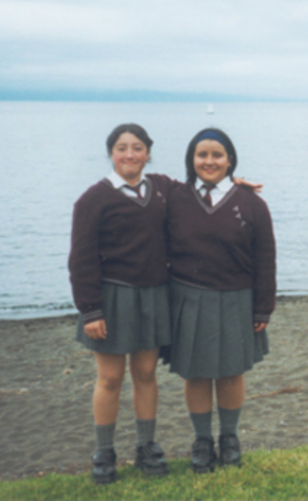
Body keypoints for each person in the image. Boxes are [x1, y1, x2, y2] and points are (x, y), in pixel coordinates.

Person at [167, 128, 276, 473]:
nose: (209, 161)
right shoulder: (174, 198)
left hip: (236, 299)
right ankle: (202, 440)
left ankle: (229, 438)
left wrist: (263, 307)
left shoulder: (252, 204)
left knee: (231, 372)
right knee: (196, 374)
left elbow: (265, 259)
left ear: (230, 159)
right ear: (191, 160)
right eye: (202, 155)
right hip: (188, 297)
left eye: (218, 155)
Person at [69, 124, 172, 484]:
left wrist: (237, 183)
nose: (130, 154)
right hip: (111, 298)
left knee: (145, 374)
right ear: (111, 153)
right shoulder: (93, 199)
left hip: (153, 294)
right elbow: (81, 259)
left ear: (148, 153)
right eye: (122, 148)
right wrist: (91, 310)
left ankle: (146, 447)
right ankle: (104, 452)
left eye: (138, 148)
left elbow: (200, 189)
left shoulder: (161, 189)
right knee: (110, 378)